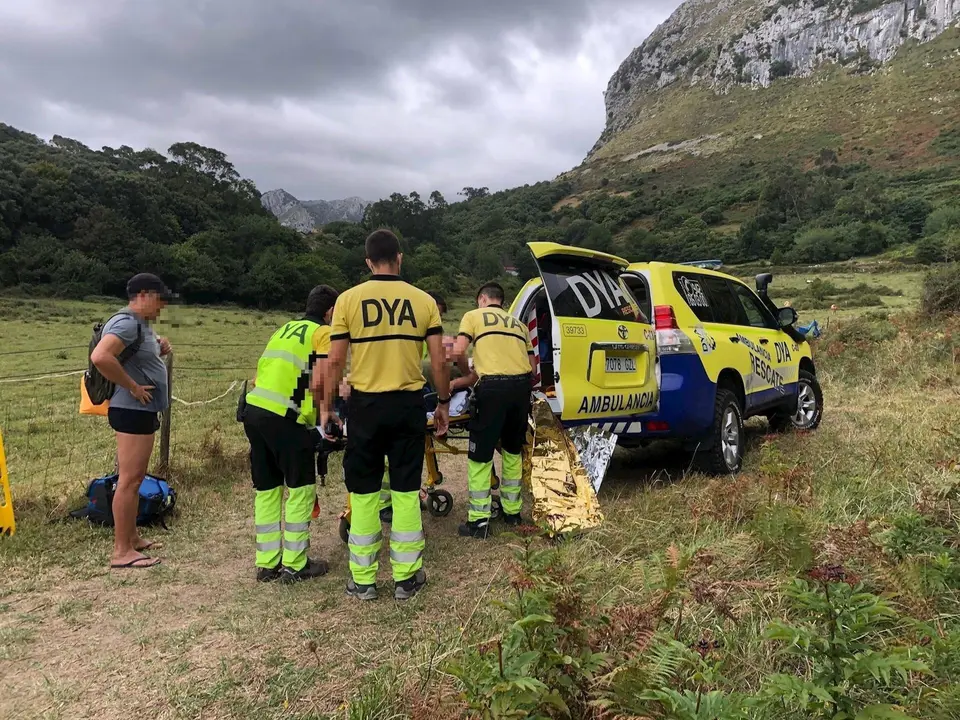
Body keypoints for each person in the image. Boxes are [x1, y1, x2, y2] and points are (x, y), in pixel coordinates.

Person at [318, 228, 449, 601]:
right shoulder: (423, 301)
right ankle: (407, 579)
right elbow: (438, 360)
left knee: (363, 491)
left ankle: (363, 581)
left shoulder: (347, 300)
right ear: (400, 258)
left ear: (368, 262)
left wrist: (327, 407)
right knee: (406, 489)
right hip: (408, 404)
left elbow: (336, 360)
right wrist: (441, 402)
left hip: (365, 407)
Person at [242, 285, 339, 583]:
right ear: (330, 311)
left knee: (268, 489)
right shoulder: (321, 332)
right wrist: (327, 414)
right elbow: (324, 374)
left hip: (254, 410)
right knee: (300, 488)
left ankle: (267, 564)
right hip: (285, 418)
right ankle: (296, 564)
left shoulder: (283, 329)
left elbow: (262, 373)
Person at [91, 273, 173, 569]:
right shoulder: (126, 322)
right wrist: (133, 387)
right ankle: (122, 551)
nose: (161, 307)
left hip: (140, 411)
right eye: (159, 300)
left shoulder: (140, 326)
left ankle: (132, 538)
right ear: (144, 295)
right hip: (132, 410)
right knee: (129, 481)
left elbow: (132, 356)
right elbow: (102, 357)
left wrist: (158, 349)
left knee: (135, 478)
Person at [452, 282, 536, 539]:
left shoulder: (473, 316)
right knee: (512, 451)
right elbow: (532, 364)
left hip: (492, 389)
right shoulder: (519, 325)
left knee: (480, 455)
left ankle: (479, 522)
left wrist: (468, 374)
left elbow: (458, 352)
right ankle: (512, 514)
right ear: (502, 301)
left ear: (482, 299)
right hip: (520, 389)